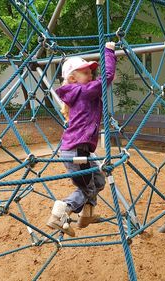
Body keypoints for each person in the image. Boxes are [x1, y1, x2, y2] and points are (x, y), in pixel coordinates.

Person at [46, 42, 117, 237]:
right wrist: (109, 51)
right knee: (87, 189)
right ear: (72, 78)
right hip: (77, 151)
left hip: (79, 150)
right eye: (85, 72)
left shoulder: (80, 94)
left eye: (90, 72)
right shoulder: (83, 92)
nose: (90, 75)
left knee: (98, 180)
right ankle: (61, 212)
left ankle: (87, 213)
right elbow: (108, 77)